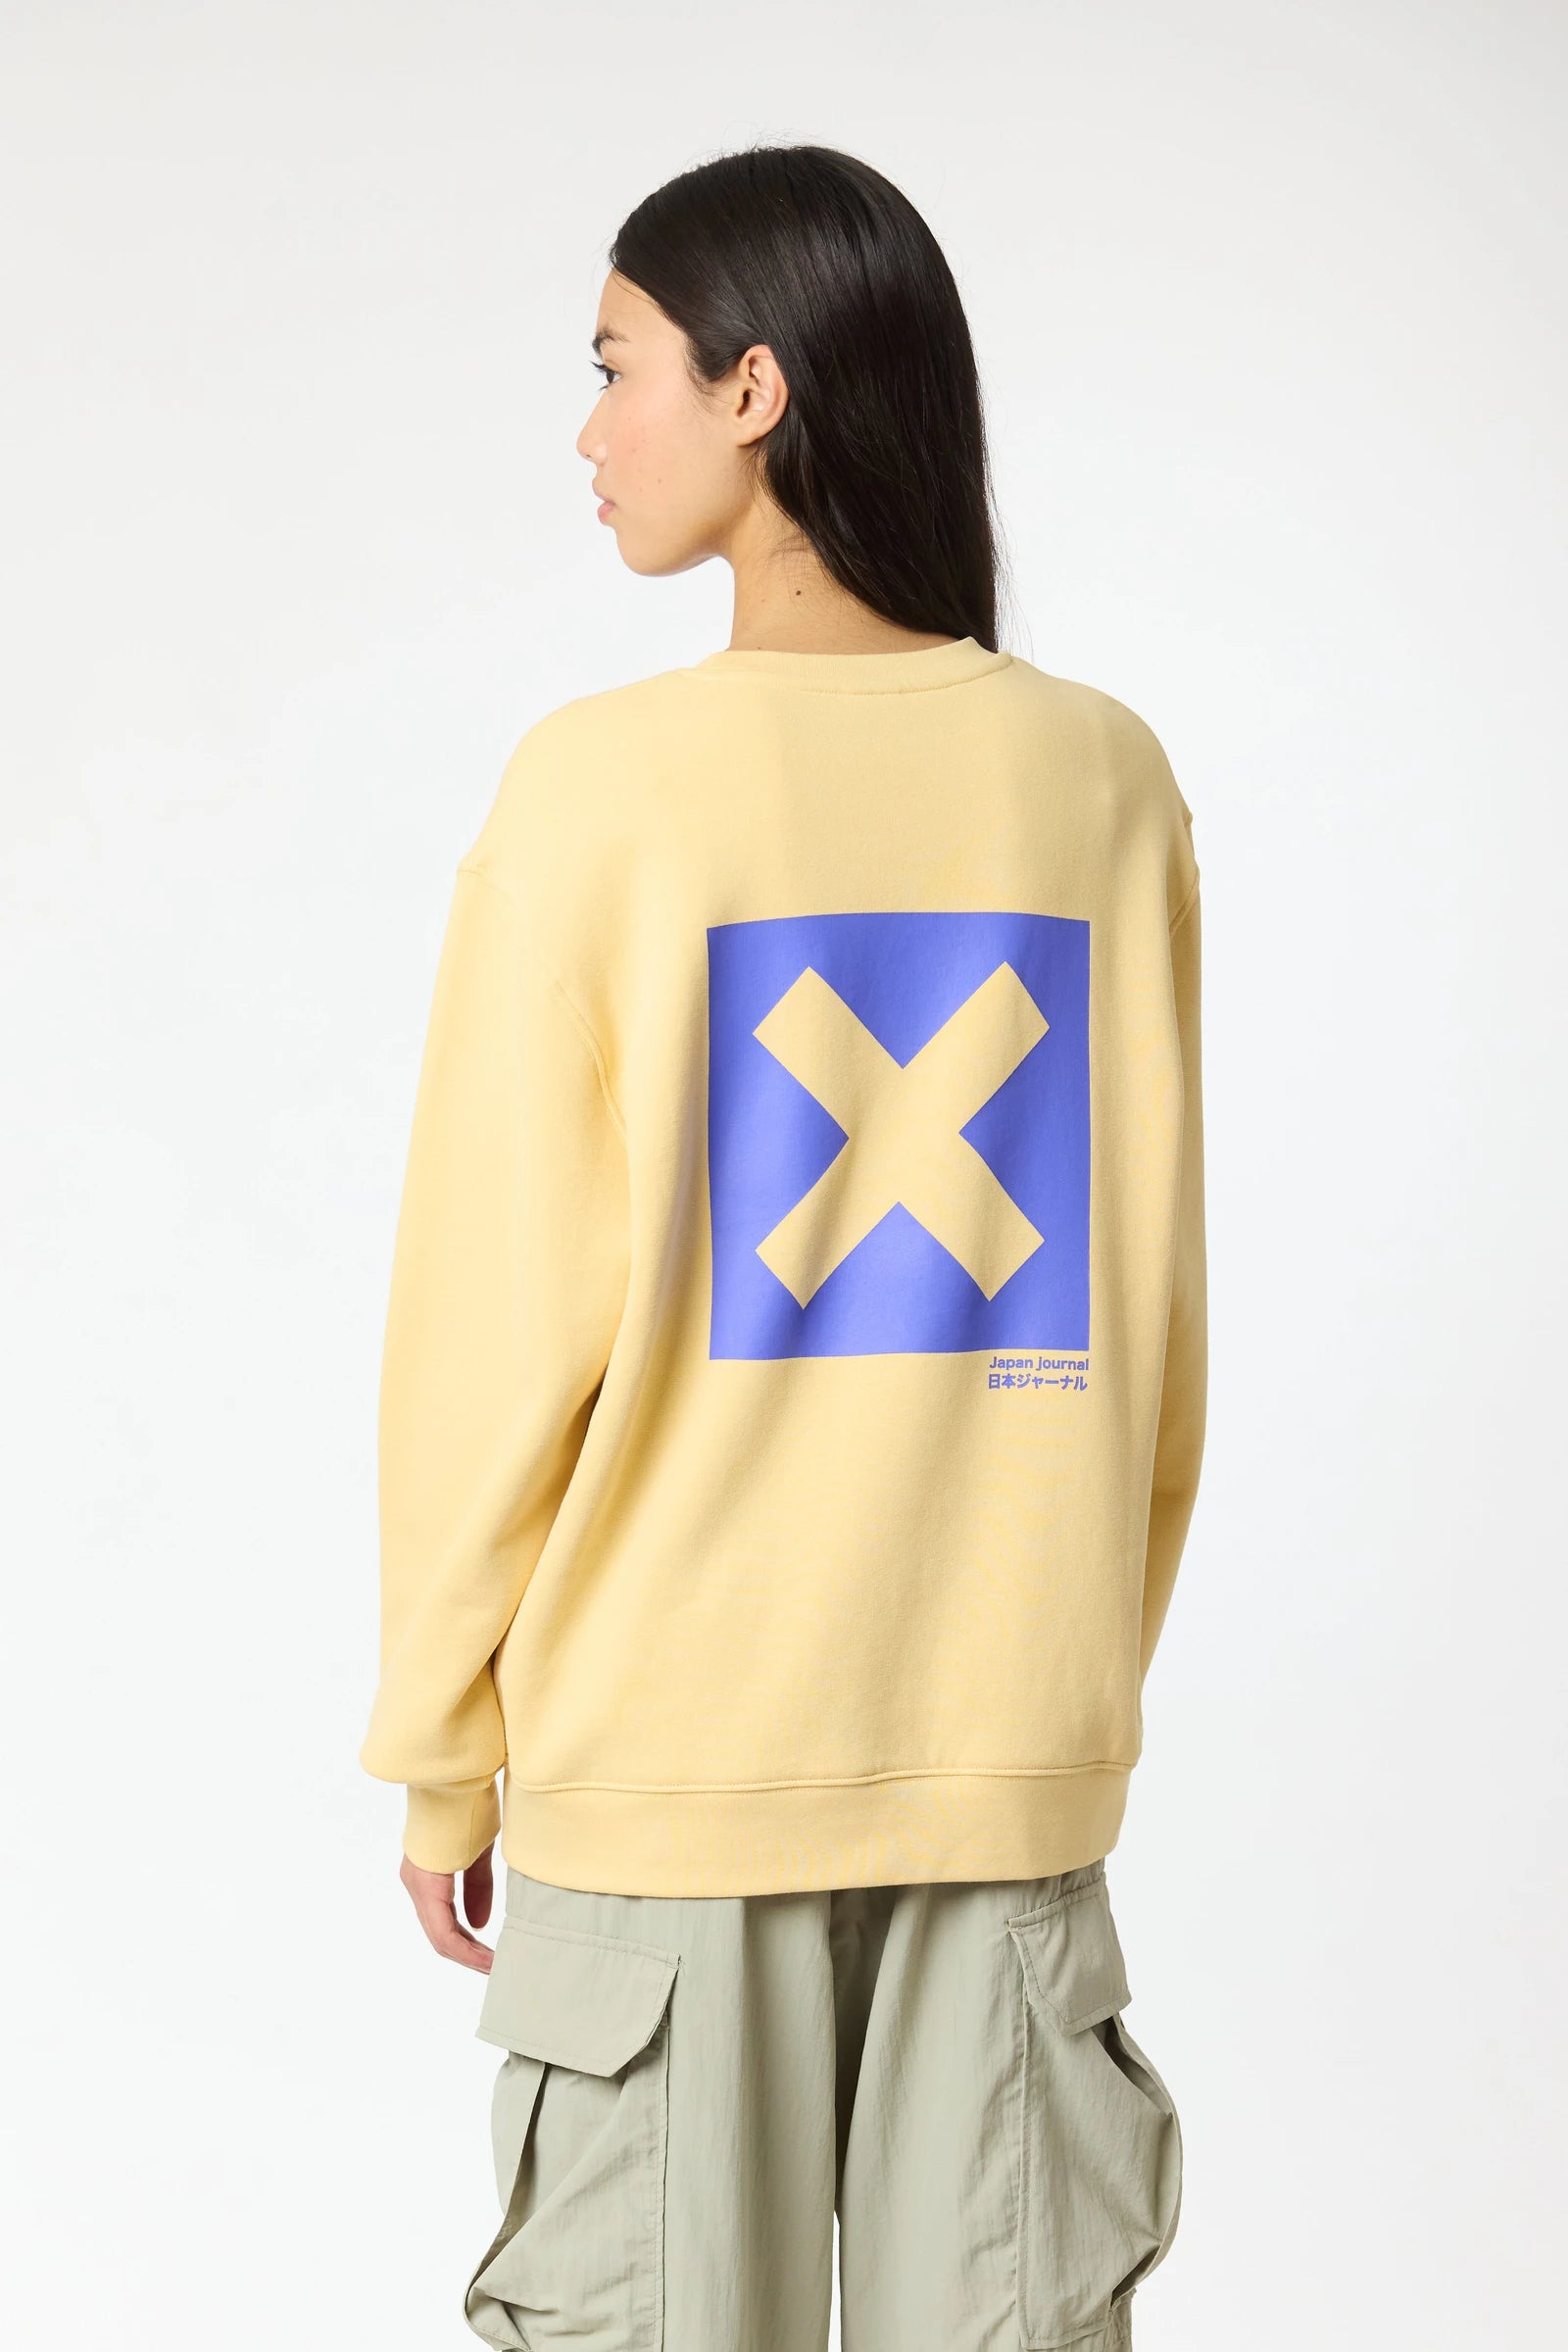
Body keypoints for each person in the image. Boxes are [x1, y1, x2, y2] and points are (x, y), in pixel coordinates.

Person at [360, 142, 1204, 2352]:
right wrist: (1045, 1685)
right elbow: (1151, 1320)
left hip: (662, 1774)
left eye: (613, 365)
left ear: (753, 390)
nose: (587, 428)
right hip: (1002, 1762)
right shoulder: (1099, 782)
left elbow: (491, 1326)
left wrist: (444, 1738)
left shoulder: (598, 791)